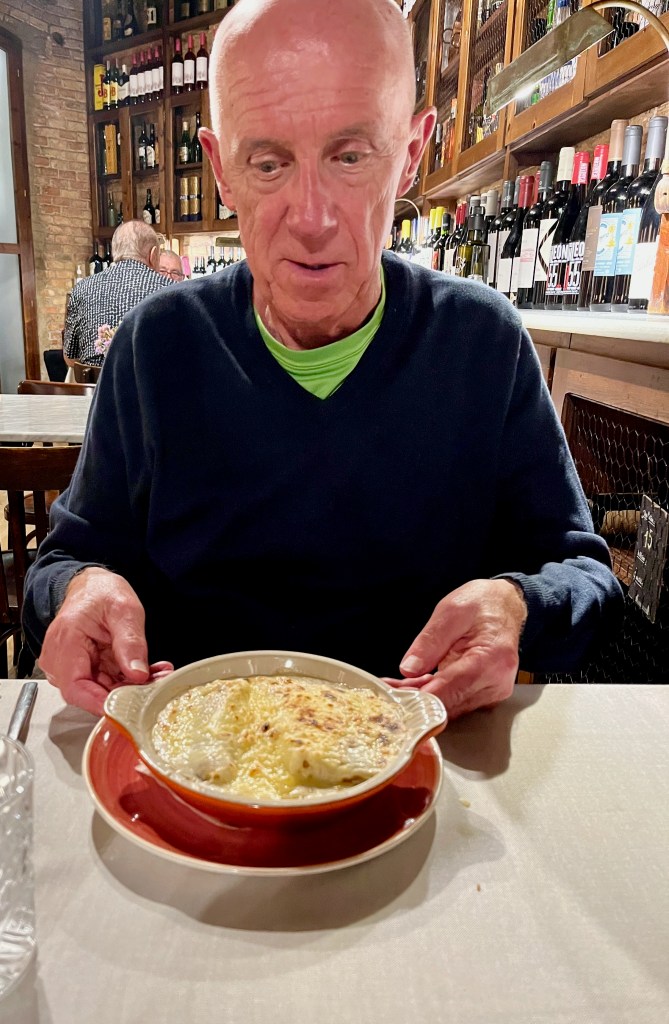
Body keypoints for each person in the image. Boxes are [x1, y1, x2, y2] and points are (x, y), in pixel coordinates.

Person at [23, 0, 623, 719]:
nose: (311, 219)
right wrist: (80, 590)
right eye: (268, 163)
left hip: (423, 757)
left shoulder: (481, 342)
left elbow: (586, 577)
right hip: (195, 762)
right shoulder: (156, 346)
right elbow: (60, 564)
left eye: (349, 156)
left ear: (410, 153)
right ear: (220, 169)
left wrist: (519, 606)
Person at [63, 220, 171, 367]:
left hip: (96, 382)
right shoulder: (170, 290)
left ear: (115, 253)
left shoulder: (81, 289)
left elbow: (70, 358)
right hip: (150, 381)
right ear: (153, 255)